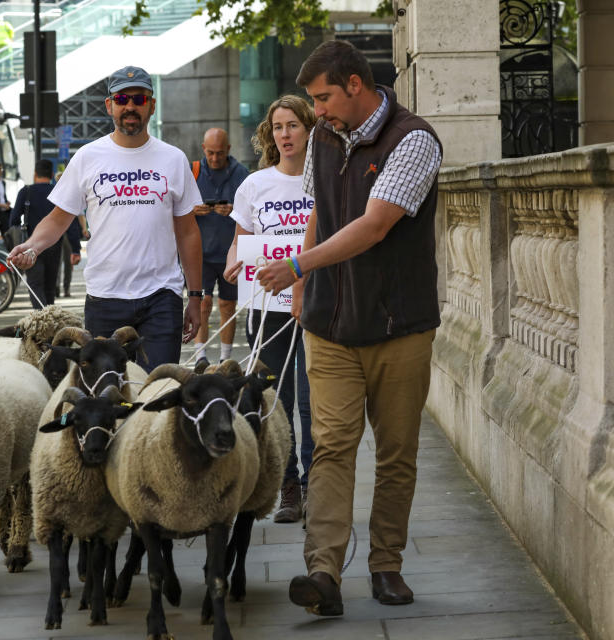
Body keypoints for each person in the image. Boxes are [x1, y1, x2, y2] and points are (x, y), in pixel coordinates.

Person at [255, 41, 443, 615]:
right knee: (330, 447)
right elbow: (317, 213)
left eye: (323, 98)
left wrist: (294, 267)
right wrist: (305, 291)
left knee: (396, 451)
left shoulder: (414, 140)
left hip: (399, 325)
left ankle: (386, 565)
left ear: (355, 85)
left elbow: (373, 226)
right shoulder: (322, 138)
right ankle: (323, 573)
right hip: (331, 326)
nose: (318, 112)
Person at [9, 65, 203, 369]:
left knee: (157, 389)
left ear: (152, 105)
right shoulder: (88, 157)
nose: (130, 106)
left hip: (161, 297)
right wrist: (33, 246)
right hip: (105, 297)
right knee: (106, 397)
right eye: (122, 99)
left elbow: (188, 232)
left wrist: (195, 296)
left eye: (139, 99)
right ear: (109, 105)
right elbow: (59, 218)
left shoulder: (173, 159)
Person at [224, 96, 316, 525]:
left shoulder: (326, 180)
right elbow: (242, 240)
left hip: (319, 302)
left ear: (309, 129)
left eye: (293, 125)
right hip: (269, 308)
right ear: (270, 134)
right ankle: (289, 487)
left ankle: (321, 482)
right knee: (278, 398)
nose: (285, 134)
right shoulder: (255, 185)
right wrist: (232, 261)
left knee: (315, 399)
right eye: (278, 126)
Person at [190, 127, 248, 365]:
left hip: (230, 253)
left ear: (228, 150)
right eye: (211, 153)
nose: (215, 158)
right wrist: (192, 210)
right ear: (204, 149)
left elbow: (252, 212)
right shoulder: (191, 172)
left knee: (227, 304)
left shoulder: (241, 174)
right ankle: (200, 356)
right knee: (202, 302)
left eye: (220, 153)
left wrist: (235, 210)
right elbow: (174, 209)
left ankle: (225, 357)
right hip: (200, 253)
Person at [10, 159, 80, 308]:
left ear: (35, 174)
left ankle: (42, 317)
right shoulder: (58, 192)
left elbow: (14, 219)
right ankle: (50, 319)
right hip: (55, 245)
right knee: (50, 285)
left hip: (31, 245)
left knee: (35, 284)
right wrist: (75, 249)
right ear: (52, 174)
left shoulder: (26, 192)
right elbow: (71, 222)